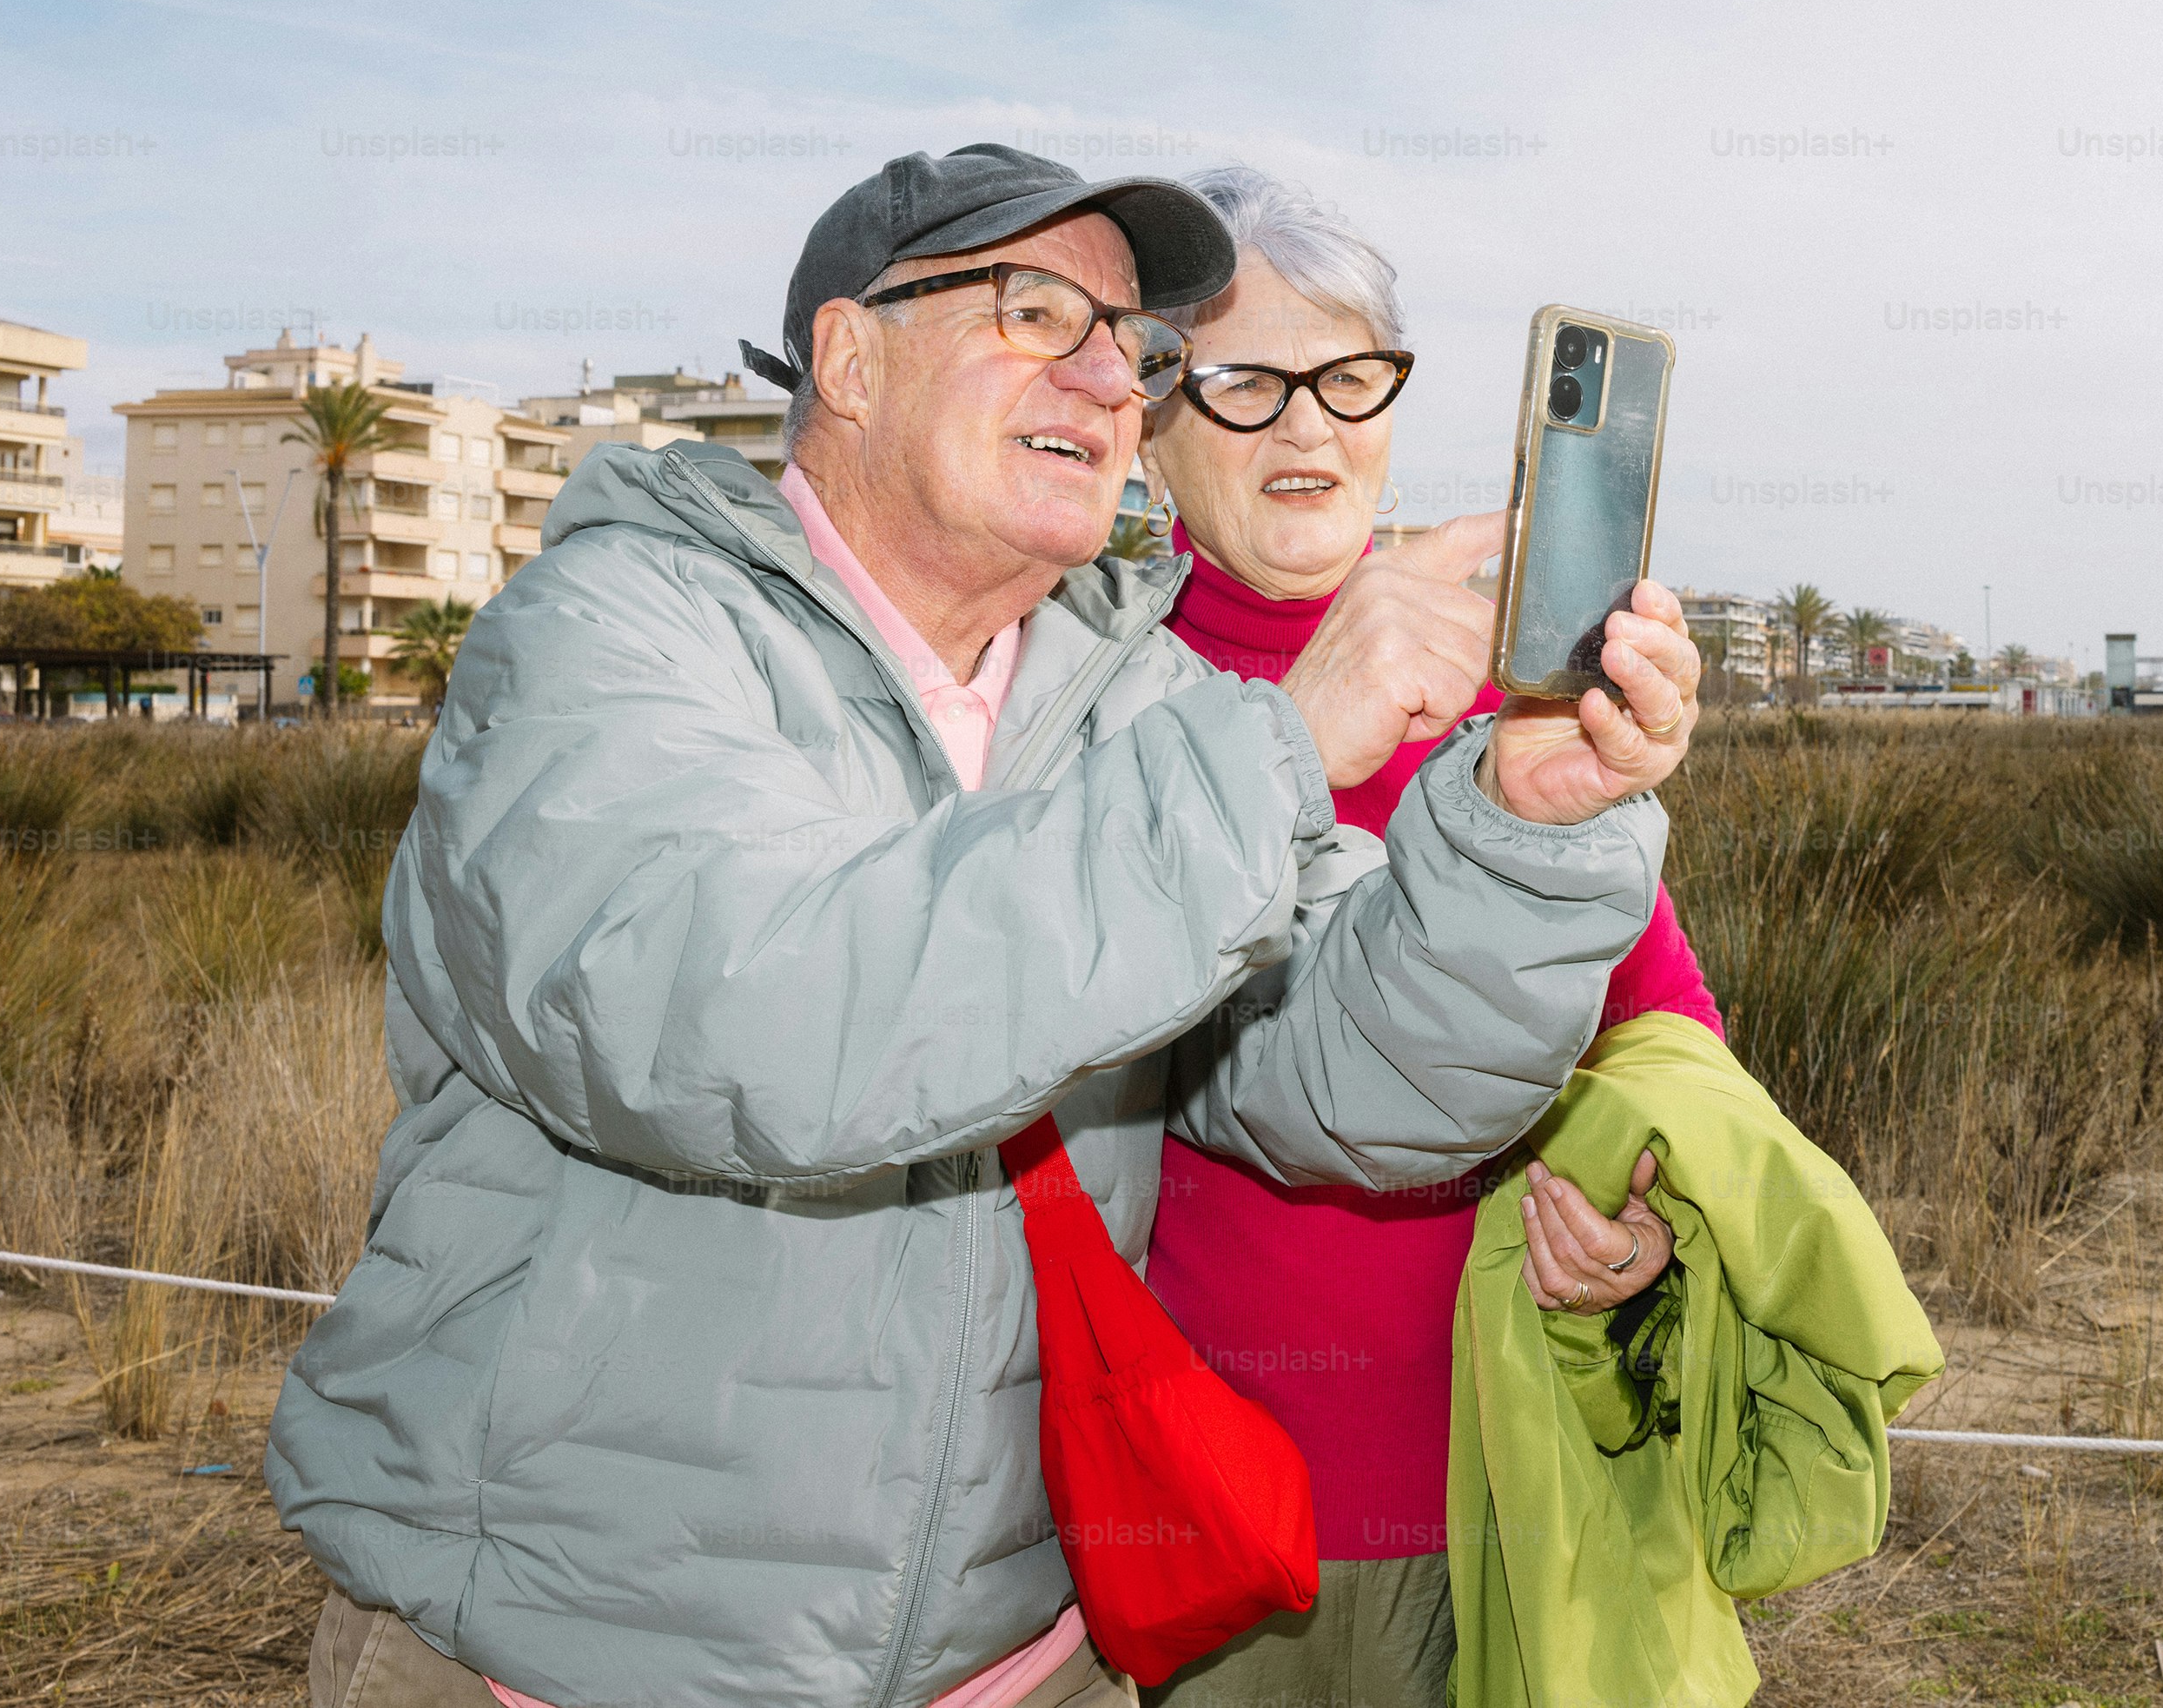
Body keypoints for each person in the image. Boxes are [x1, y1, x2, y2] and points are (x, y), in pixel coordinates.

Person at [266, 146, 1703, 1708]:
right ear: (849, 355)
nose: (1109, 376)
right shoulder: (616, 640)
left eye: (1136, 347)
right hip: (560, 1664)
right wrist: (1280, 755)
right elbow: (750, 1025)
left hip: (1018, 1670)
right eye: (1038, 313)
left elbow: (1362, 1079)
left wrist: (1523, 833)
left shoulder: (1124, 703)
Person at [1130, 168, 1723, 1708]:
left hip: (1508, 1477)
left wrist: (1651, 1233)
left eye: (1349, 377)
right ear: (1148, 424)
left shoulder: (1511, 698)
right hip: (1208, 1513)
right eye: (1247, 382)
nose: (1310, 429)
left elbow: (1667, 1033)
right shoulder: (1093, 696)